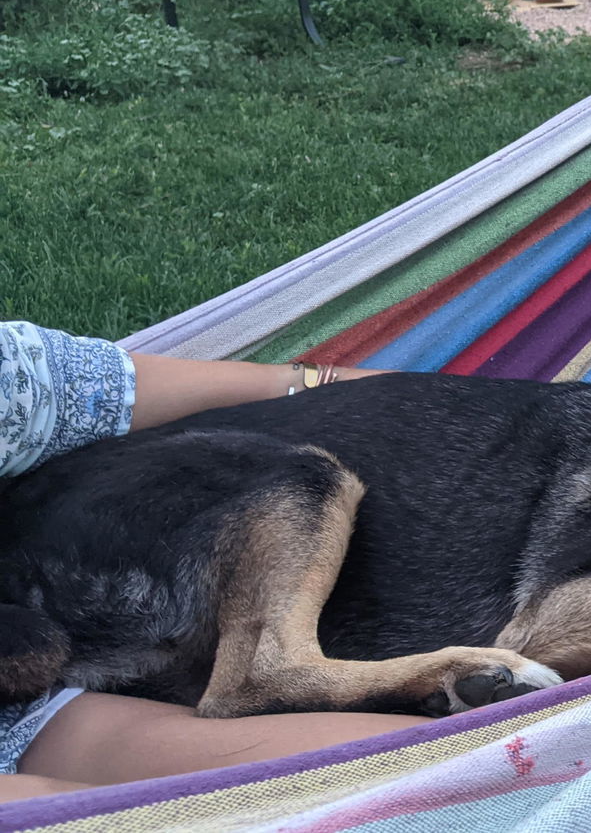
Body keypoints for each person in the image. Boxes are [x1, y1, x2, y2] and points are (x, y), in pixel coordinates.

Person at [0, 321, 430, 804]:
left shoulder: (10, 378)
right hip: (41, 661)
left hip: (32, 696)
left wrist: (388, 390)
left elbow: (267, 385)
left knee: (460, 767)